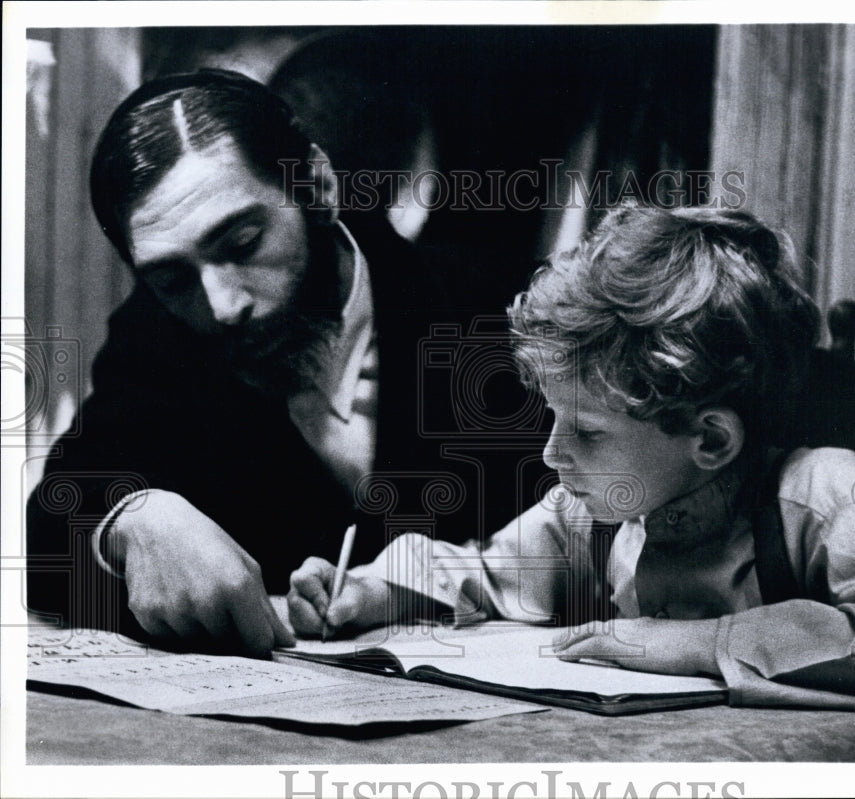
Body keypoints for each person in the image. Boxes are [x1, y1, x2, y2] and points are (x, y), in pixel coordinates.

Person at [288, 205, 855, 711]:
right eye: (555, 420)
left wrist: (708, 641)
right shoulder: (597, 511)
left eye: (587, 431)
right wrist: (373, 589)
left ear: (710, 441)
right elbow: (486, 572)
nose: (554, 454)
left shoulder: (822, 493)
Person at [26, 69, 533, 656]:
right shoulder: (158, 334)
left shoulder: (490, 313)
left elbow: (591, 543)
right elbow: (48, 537)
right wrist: (130, 523)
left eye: (242, 245)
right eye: (171, 278)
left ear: (316, 185)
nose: (221, 307)